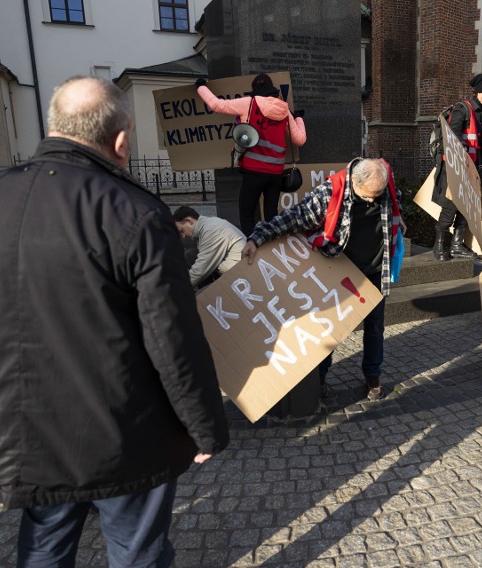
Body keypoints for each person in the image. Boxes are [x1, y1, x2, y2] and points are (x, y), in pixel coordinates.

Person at [0, 76, 229, 567]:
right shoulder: (136, 211)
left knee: (44, 548)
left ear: (55, 126)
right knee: (136, 551)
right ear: (121, 141)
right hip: (125, 434)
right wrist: (204, 428)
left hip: (25, 429)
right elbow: (172, 338)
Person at [242, 158, 405, 401]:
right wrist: (257, 237)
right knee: (331, 330)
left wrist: (398, 218)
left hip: (374, 272)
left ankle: (372, 376)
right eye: (369, 195)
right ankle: (320, 378)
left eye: (379, 194)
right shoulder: (330, 193)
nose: (374, 199)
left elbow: (394, 202)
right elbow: (294, 217)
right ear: (355, 183)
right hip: (340, 272)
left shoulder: (383, 186)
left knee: (375, 328)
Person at [195, 73, 307, 235]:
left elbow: (216, 105)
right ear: (272, 89)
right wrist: (298, 119)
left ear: (254, 89)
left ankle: (254, 248)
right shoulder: (284, 109)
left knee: (247, 216)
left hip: (253, 172)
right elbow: (300, 140)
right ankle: (271, 251)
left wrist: (201, 87)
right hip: (275, 174)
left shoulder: (249, 104)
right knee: (271, 216)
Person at [432, 72, 482, 262]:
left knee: (467, 208)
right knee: (450, 206)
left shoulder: (480, 112)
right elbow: (452, 135)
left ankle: (456, 245)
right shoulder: (462, 109)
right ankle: (439, 246)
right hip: (456, 168)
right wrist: (463, 157)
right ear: (481, 91)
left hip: (473, 168)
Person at [173, 206, 246, 289]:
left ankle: (208, 294)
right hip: (232, 265)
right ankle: (207, 291)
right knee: (190, 255)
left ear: (189, 221)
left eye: (182, 231)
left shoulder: (211, 231)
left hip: (239, 273)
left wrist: (176, 290)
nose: (183, 236)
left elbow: (200, 270)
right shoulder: (207, 224)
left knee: (199, 265)